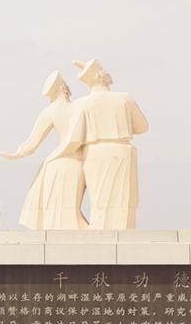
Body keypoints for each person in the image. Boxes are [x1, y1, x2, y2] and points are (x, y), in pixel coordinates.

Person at [48, 59, 149, 229]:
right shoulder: (124, 98)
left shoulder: (82, 104)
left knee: (100, 205)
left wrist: (54, 156)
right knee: (123, 204)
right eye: (101, 68)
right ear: (98, 75)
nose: (105, 71)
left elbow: (74, 140)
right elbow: (142, 127)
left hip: (94, 155)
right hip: (122, 152)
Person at [0, 71, 88, 229]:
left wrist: (16, 155)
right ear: (62, 88)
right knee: (68, 214)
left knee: (61, 214)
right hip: (80, 163)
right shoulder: (79, 108)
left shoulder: (51, 111)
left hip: (59, 164)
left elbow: (32, 143)